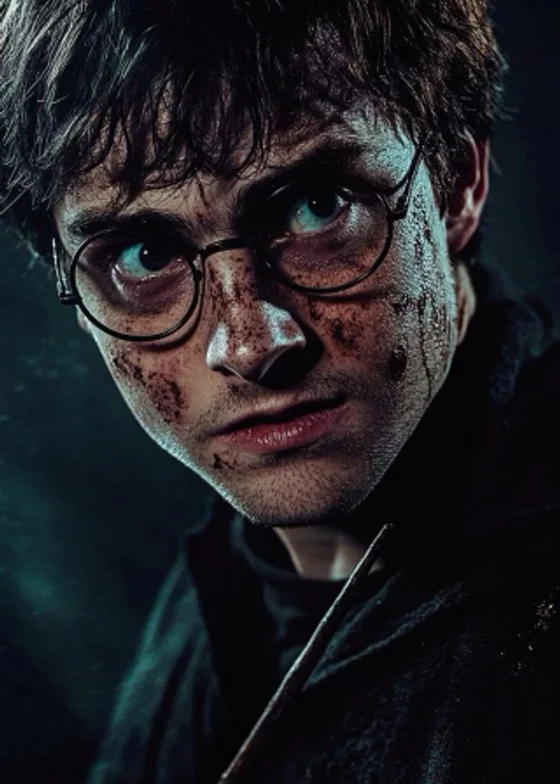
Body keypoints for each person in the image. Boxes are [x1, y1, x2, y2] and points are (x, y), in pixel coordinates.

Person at [1, 0, 559, 782]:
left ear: (458, 185)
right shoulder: (226, 585)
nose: (251, 344)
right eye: (143, 254)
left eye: (317, 206)